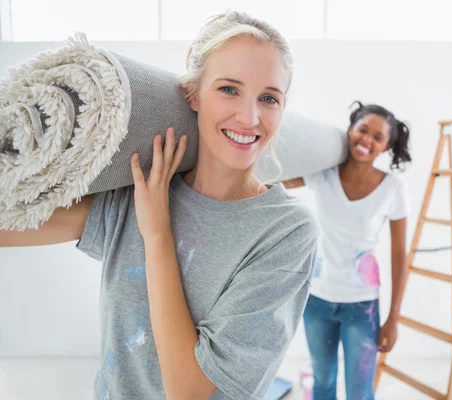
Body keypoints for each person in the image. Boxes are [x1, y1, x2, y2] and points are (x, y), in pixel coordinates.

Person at [0, 11, 318, 400]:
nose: (250, 117)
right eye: (229, 89)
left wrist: (157, 234)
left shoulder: (287, 231)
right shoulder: (145, 188)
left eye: (268, 98)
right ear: (192, 94)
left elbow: (189, 391)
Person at [284, 101, 412, 400]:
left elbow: (399, 256)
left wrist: (393, 319)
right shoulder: (322, 174)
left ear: (386, 146)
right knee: (323, 383)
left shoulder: (393, 188)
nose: (367, 140)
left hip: (362, 307)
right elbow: (270, 178)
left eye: (377, 137)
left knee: (359, 391)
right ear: (350, 130)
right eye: (362, 129)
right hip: (317, 302)